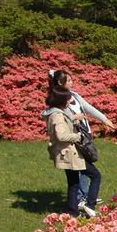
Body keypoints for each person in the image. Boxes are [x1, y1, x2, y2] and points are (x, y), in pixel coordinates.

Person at [47, 70, 115, 203]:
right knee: (81, 167)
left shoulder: (75, 95)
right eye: (69, 80)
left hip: (84, 134)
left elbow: (88, 108)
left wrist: (104, 119)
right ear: (61, 82)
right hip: (73, 137)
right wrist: (74, 117)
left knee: (84, 165)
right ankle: (83, 198)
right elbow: (58, 118)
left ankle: (85, 195)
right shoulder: (58, 99)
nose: (72, 82)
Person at [41, 88, 101, 218]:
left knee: (73, 183)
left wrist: (73, 121)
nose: (70, 101)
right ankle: (90, 206)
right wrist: (77, 136)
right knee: (95, 175)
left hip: (66, 153)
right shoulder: (57, 114)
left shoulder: (54, 112)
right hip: (71, 153)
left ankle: (72, 212)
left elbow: (62, 126)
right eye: (68, 99)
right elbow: (61, 135)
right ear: (61, 100)